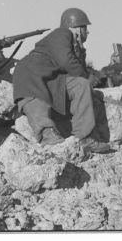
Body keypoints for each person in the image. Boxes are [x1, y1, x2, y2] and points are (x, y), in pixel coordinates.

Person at [12, 8, 110, 153]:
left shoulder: (76, 46)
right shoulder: (62, 33)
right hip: (32, 71)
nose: (87, 32)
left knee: (81, 84)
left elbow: (79, 72)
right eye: (85, 27)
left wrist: (99, 74)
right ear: (75, 26)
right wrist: (88, 76)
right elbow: (66, 61)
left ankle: (84, 138)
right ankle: (46, 133)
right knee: (35, 98)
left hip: (53, 77)